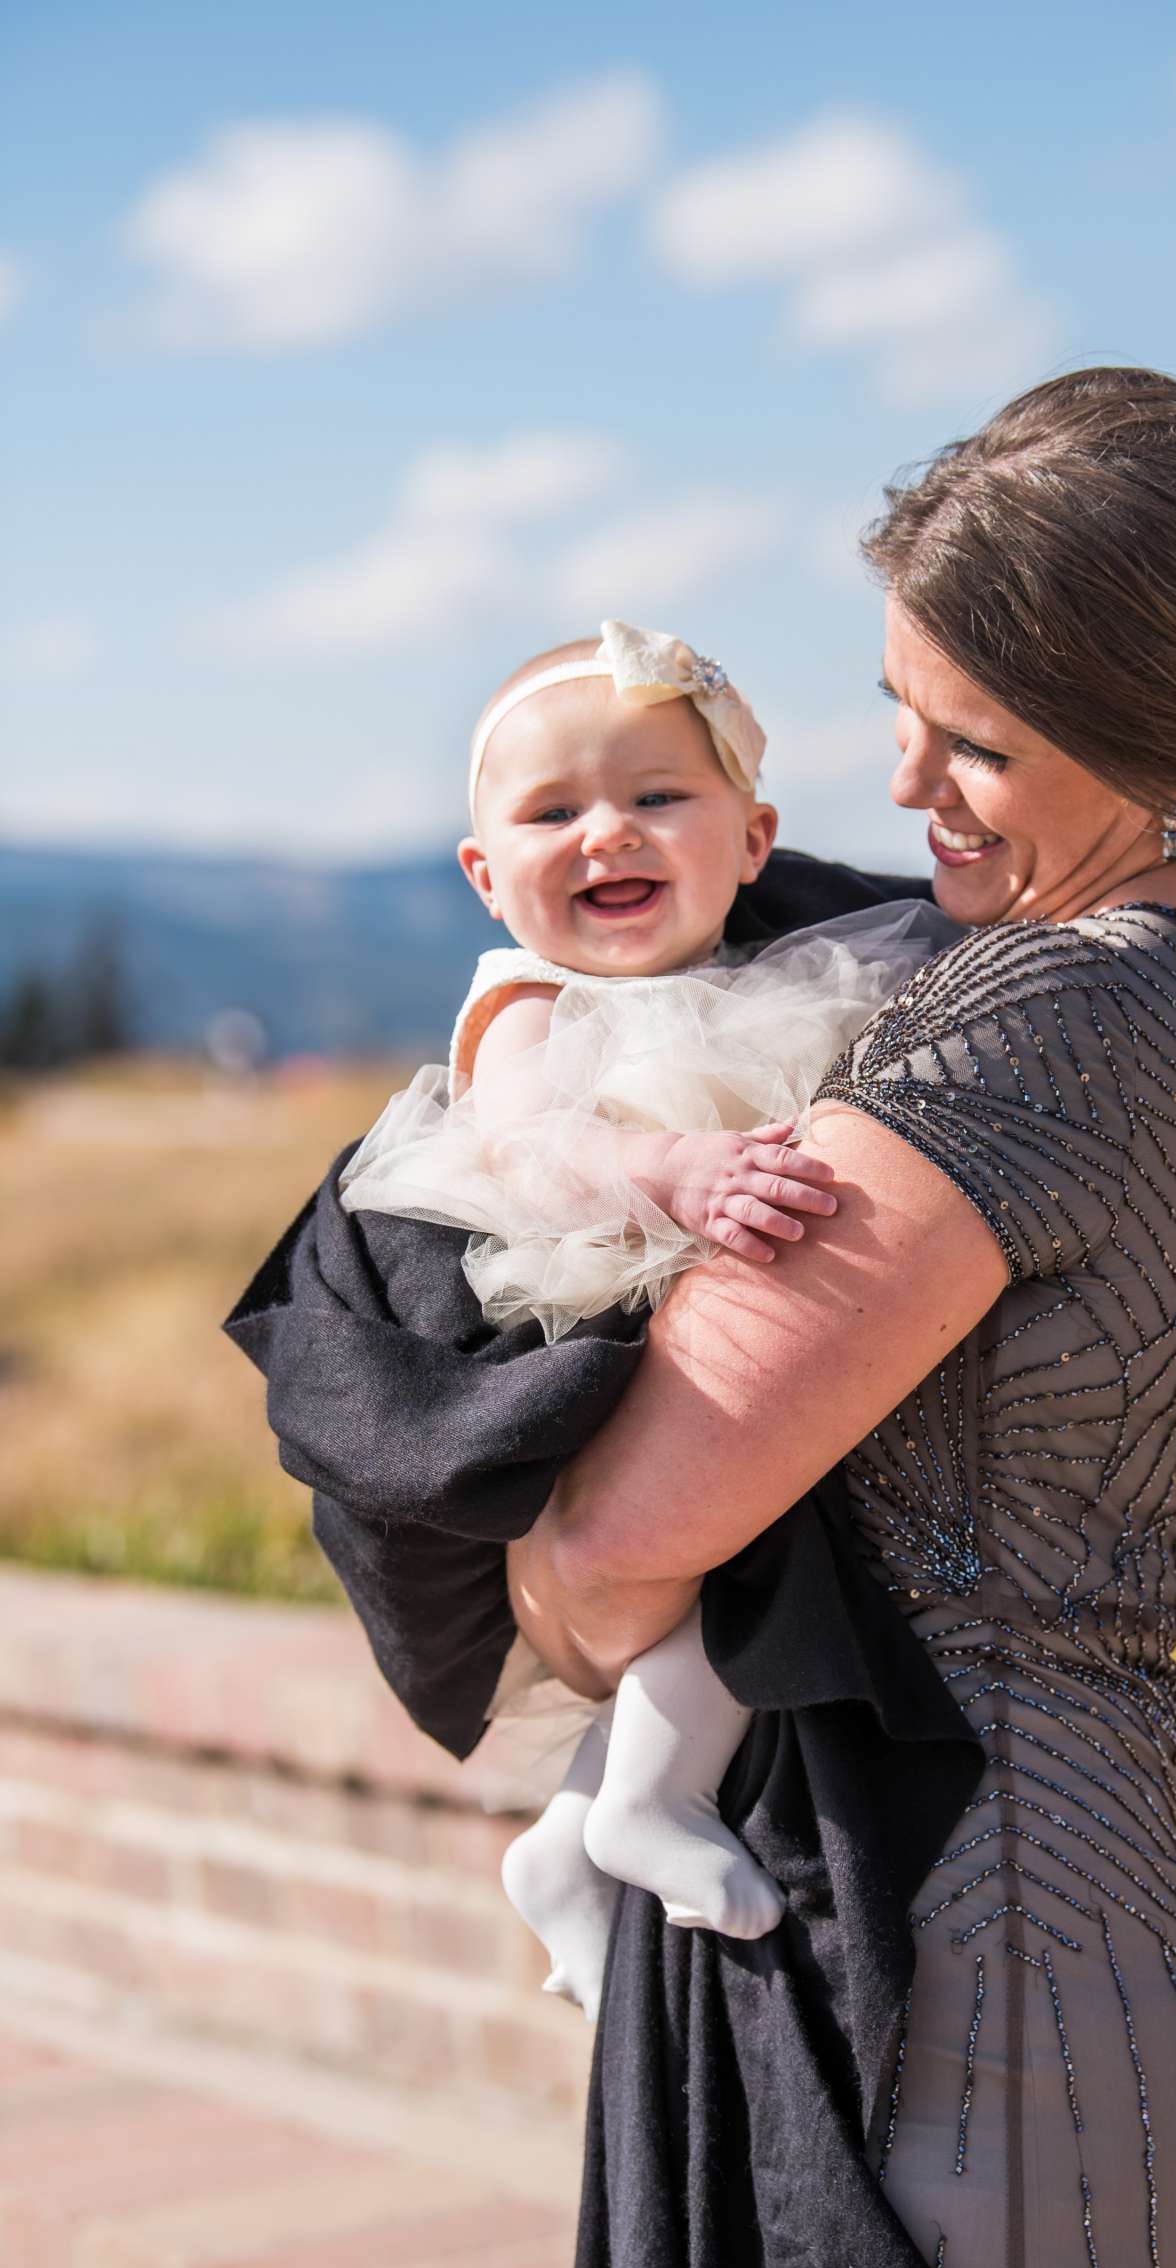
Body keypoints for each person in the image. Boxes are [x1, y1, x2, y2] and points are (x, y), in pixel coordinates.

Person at [231, 367, 1176, 2268]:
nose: (913, 786)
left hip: (966, 1959)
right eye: (900, 713)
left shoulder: (1036, 1018)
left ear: (1145, 733)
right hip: (1061, 1917)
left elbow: (619, 1549)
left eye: (976, 741)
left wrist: (455, 1529)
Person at [336, 617, 944, 2015]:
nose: (606, 833)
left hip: (707, 1295)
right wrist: (666, 1170)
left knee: (776, 1521)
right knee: (726, 1534)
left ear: (751, 839)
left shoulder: (777, 978)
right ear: (488, 879)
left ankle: (579, 1825)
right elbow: (532, 1151)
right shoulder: (528, 1000)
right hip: (585, 1305)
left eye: (656, 797)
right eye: (553, 812)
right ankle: (642, 1802)